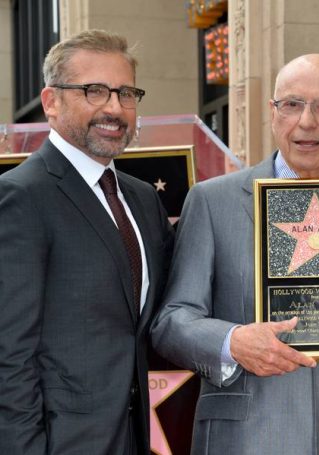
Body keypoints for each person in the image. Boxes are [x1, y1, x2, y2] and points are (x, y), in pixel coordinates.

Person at [151, 53, 319, 454]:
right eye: (291, 105)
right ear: (272, 113)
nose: (306, 122)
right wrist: (232, 341)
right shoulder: (212, 201)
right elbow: (172, 321)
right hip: (243, 439)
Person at [0, 30, 174, 454]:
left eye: (126, 93)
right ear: (51, 101)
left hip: (134, 436)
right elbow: (8, 355)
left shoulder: (143, 199)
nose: (114, 108)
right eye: (94, 91)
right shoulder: (21, 196)